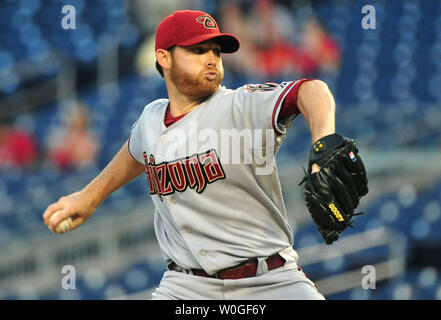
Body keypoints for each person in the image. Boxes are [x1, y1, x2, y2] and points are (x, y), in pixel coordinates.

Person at [43, 10, 367, 300]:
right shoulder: (151, 118)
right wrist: (90, 196)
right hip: (185, 286)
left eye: (215, 51)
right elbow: (135, 153)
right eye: (198, 50)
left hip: (269, 281)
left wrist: (323, 139)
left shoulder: (239, 106)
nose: (212, 58)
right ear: (164, 58)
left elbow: (311, 90)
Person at [47, 104, 99, 171]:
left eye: (79, 122)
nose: (76, 124)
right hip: (65, 169)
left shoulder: (90, 137)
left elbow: (88, 156)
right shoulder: (64, 135)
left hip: (82, 169)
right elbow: (55, 153)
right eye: (74, 121)